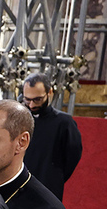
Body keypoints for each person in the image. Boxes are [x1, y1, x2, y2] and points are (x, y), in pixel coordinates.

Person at [19, 72, 82, 200]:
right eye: (27, 100)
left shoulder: (64, 123)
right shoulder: (19, 120)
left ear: (50, 93)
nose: (32, 105)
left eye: (37, 100)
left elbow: (72, 157)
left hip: (48, 190)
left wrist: (54, 176)